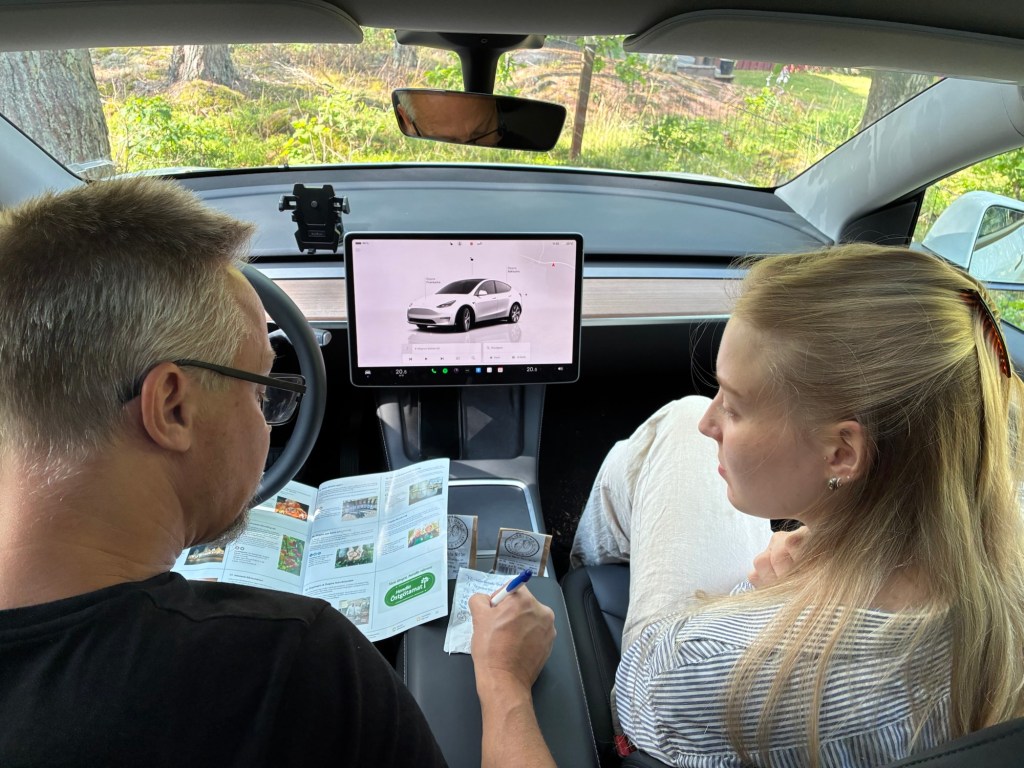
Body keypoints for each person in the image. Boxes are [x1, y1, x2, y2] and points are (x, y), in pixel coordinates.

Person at [489, 242, 1024, 767]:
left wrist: (504, 680)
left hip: (670, 702)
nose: (711, 421)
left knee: (678, 423)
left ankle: (573, 572)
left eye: (735, 406)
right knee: (683, 417)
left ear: (842, 453)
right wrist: (817, 569)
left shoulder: (703, 666)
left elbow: (642, 707)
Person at [0, 178, 451, 765]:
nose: (267, 423)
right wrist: (504, 683)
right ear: (173, 407)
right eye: (263, 392)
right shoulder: (294, 664)